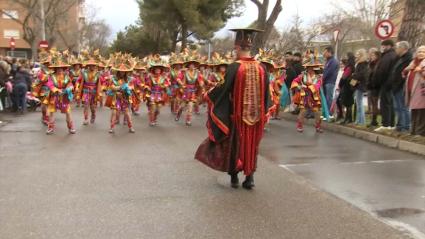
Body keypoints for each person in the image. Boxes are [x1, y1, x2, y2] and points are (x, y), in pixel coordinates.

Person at [195, 28, 272, 190]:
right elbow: (267, 92)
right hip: (256, 118)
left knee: (235, 145)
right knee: (252, 145)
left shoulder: (234, 68)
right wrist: (264, 112)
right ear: (249, 47)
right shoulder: (262, 68)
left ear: (237, 47)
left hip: (236, 116)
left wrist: (209, 94)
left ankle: (235, 177)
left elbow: (222, 90)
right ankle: (250, 178)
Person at [45, 50, 76, 135]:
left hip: (64, 96)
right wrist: (57, 90)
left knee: (68, 112)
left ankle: (71, 127)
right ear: (55, 68)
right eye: (58, 68)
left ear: (64, 68)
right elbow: (50, 85)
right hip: (54, 96)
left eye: (61, 68)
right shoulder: (51, 76)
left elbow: (70, 85)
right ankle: (50, 127)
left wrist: (68, 89)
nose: (59, 70)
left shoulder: (66, 76)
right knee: (51, 112)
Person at [291, 56, 324, 133]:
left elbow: (318, 85)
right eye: (309, 67)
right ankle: (299, 125)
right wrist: (299, 86)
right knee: (303, 111)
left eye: (312, 67)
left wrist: (309, 87)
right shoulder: (302, 76)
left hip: (314, 96)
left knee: (318, 112)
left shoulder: (318, 77)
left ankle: (318, 126)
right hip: (305, 95)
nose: (311, 69)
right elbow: (295, 81)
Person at [105, 54, 136, 133]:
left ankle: (131, 127)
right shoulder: (113, 78)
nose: (122, 72)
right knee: (114, 112)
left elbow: (132, 87)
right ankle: (111, 127)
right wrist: (119, 88)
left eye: (124, 71)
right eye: (121, 71)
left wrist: (127, 88)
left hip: (125, 98)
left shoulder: (129, 79)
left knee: (127, 113)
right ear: (118, 71)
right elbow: (111, 86)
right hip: (116, 98)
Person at [175, 51, 204, 126]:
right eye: (190, 65)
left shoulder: (197, 73)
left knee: (190, 107)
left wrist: (201, 83)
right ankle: (178, 114)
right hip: (185, 91)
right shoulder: (184, 72)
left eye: (193, 65)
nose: (192, 66)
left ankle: (188, 120)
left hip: (193, 92)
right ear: (188, 66)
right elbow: (178, 78)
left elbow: (201, 80)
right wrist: (181, 84)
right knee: (182, 106)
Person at [374, 40, 398, 132]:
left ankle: (386, 124)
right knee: (389, 104)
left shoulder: (388, 56)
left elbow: (383, 70)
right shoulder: (391, 55)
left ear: (389, 46)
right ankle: (391, 124)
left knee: (385, 104)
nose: (382, 47)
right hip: (388, 83)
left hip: (386, 83)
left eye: (383, 46)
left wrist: (379, 81)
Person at [389, 41, 413, 132]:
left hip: (401, 86)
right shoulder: (400, 58)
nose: (396, 49)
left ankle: (406, 126)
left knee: (403, 107)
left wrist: (398, 84)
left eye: (398, 48)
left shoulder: (408, 59)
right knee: (398, 107)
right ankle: (400, 125)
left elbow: (404, 74)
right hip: (396, 86)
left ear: (403, 48)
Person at [75, 51, 103, 126]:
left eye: (93, 65)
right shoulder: (84, 73)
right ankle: (86, 118)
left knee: (92, 107)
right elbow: (78, 80)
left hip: (94, 92)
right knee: (86, 105)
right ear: (88, 66)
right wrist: (77, 87)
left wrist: (101, 90)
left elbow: (102, 83)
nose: (92, 67)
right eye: (91, 65)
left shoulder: (98, 73)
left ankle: (93, 115)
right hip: (86, 91)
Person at [403, 46, 425, 136]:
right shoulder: (413, 62)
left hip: (421, 91)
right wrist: (407, 69)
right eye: (419, 51)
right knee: (414, 111)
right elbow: (404, 73)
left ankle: (420, 132)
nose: (421, 53)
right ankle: (413, 131)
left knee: (421, 112)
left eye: (423, 52)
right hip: (412, 90)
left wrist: (421, 71)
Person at [144, 55, 170, 126]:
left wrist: (165, 86)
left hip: (160, 95)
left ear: (161, 70)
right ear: (154, 70)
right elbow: (146, 84)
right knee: (153, 108)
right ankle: (151, 121)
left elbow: (167, 84)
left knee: (158, 110)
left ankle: (154, 118)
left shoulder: (163, 77)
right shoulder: (150, 77)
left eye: (159, 69)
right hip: (152, 94)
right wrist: (147, 87)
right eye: (156, 69)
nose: (157, 70)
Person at [32, 50, 51, 125]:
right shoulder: (40, 71)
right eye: (46, 63)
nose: (48, 64)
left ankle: (47, 117)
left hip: (52, 90)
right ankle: (44, 116)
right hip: (44, 89)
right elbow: (39, 80)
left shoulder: (53, 69)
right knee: (44, 105)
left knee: (50, 105)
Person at [351, 49, 369, 126]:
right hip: (357, 85)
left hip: (360, 85)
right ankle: (359, 120)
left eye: (358, 54)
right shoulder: (358, 64)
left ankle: (361, 121)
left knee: (359, 103)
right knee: (358, 103)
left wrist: (354, 76)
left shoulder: (363, 64)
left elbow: (360, 75)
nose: (356, 55)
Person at [338, 53, 355, 124]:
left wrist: (340, 84)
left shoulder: (349, 67)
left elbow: (344, 77)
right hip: (349, 86)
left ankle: (348, 118)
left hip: (347, 86)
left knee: (347, 103)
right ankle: (348, 118)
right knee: (348, 103)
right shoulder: (353, 66)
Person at [322, 46, 340, 112]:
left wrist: (322, 78)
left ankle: (329, 113)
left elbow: (329, 71)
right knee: (325, 98)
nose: (324, 53)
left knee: (329, 98)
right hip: (326, 82)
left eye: (325, 52)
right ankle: (326, 112)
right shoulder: (328, 61)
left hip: (330, 82)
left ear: (329, 52)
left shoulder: (333, 61)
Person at [367, 48, 381, 127]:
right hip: (370, 86)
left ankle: (374, 120)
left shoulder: (377, 64)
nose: (371, 56)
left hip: (375, 87)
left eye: (373, 55)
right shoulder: (371, 64)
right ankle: (373, 119)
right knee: (372, 104)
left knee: (375, 104)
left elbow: (375, 75)